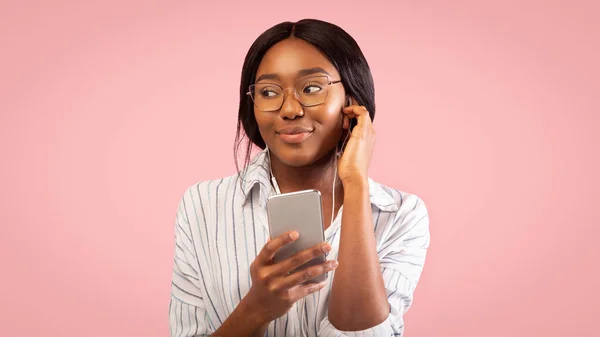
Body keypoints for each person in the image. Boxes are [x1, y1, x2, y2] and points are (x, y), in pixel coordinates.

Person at [168, 18, 430, 337]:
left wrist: (357, 184)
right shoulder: (203, 206)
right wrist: (257, 308)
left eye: (311, 88)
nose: (290, 109)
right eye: (268, 91)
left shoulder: (401, 216)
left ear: (351, 101)